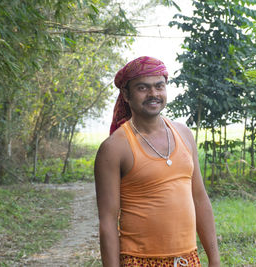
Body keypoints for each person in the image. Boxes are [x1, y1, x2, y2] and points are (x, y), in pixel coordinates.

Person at [94, 56, 220, 267]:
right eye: (143, 88)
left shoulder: (184, 135)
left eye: (159, 86)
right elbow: (107, 222)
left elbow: (200, 199)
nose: (153, 94)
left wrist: (214, 260)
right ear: (126, 94)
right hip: (138, 261)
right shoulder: (114, 148)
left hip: (186, 260)